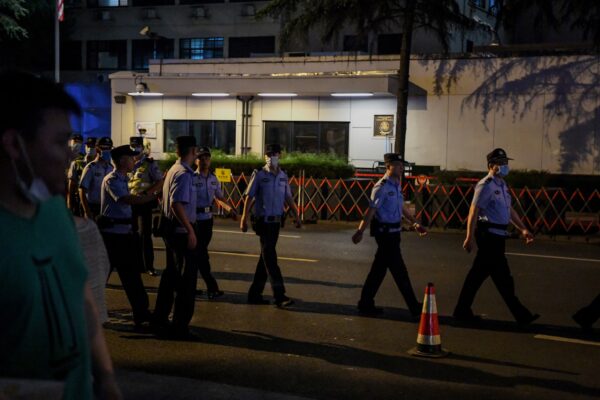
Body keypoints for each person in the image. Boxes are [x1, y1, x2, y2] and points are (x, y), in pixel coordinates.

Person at [0, 71, 120, 399]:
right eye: (59, 142)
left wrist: (106, 377)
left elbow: (80, 297)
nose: (70, 156)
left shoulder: (55, 212)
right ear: (14, 145)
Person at [454, 148, 540, 326]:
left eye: (506, 163)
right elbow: (474, 210)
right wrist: (469, 237)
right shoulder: (485, 185)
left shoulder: (501, 185)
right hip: (489, 237)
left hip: (498, 236)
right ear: (491, 166)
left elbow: (509, 211)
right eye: (501, 163)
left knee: (479, 276)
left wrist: (523, 229)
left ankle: (462, 311)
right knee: (502, 278)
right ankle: (521, 315)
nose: (505, 166)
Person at [351, 153, 426, 317]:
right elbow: (371, 210)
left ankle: (365, 303)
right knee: (400, 271)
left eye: (402, 165)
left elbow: (402, 208)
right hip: (385, 235)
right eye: (398, 165)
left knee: (378, 271)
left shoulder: (396, 184)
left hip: (394, 233)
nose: (401, 168)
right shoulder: (382, 187)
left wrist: (414, 222)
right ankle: (413, 306)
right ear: (388, 166)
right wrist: (360, 231)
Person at [99, 145, 157, 328]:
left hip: (124, 235)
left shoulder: (124, 179)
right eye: (131, 158)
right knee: (99, 278)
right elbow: (127, 199)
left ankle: (141, 313)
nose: (134, 160)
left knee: (132, 277)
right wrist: (152, 197)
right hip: (111, 237)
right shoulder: (112, 180)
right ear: (123, 160)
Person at [240, 143, 301, 308]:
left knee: (264, 259)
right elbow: (249, 196)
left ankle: (254, 294)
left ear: (279, 155)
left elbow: (288, 197)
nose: (270, 157)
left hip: (276, 223)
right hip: (263, 222)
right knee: (270, 258)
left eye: (273, 153)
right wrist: (244, 217)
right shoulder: (259, 175)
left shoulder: (283, 176)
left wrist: (296, 215)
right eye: (267, 154)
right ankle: (279, 295)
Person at [153, 136, 199, 338]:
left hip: (171, 229)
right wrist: (190, 230)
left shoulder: (173, 169)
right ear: (194, 151)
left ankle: (160, 318)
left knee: (170, 277)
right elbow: (176, 203)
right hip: (180, 232)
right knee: (185, 281)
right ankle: (179, 326)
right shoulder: (183, 174)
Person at [194, 146, 237, 299]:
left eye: (207, 158)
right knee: (201, 254)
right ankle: (212, 287)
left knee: (197, 254)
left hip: (207, 220)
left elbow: (219, 197)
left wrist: (229, 209)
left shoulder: (213, 179)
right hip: (195, 221)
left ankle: (188, 285)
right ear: (196, 160)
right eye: (201, 158)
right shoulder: (192, 178)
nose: (204, 161)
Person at [128, 136, 163, 276]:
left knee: (145, 235)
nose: (135, 149)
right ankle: (135, 264)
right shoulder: (127, 163)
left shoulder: (149, 164)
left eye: (137, 146)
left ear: (143, 149)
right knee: (131, 235)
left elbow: (160, 181)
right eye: (133, 146)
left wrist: (147, 193)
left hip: (144, 203)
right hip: (130, 203)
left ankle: (149, 265)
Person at [79, 136, 113, 219]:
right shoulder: (91, 167)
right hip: (92, 208)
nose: (106, 150)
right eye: (103, 147)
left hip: (106, 209)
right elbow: (82, 190)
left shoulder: (111, 168)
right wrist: (87, 211)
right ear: (97, 149)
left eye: (108, 148)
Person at [66, 133, 85, 215]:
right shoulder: (62, 155)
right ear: (70, 141)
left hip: (74, 190)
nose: (77, 144)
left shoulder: (82, 158)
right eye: (75, 141)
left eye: (80, 142)